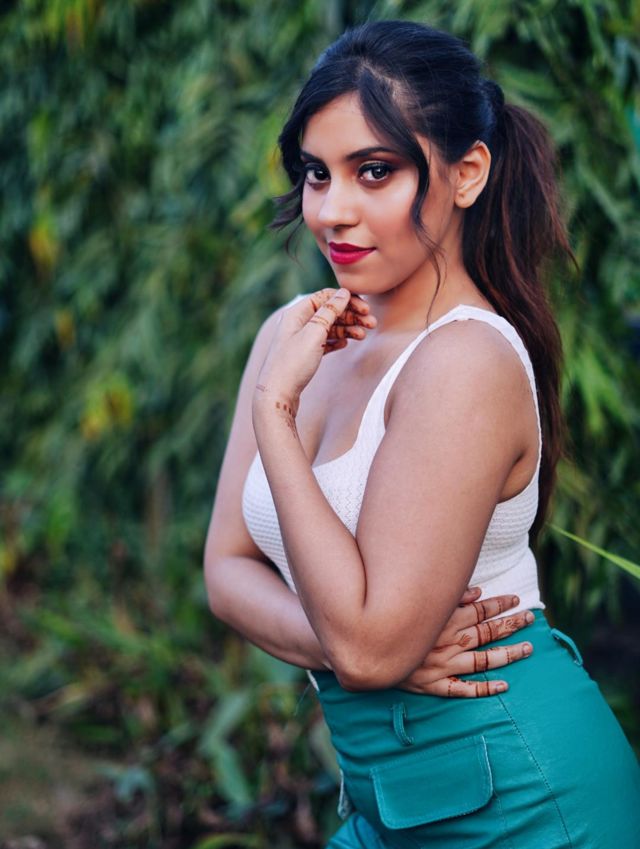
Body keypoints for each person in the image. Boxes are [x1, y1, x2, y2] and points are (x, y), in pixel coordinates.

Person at [204, 20, 640, 849]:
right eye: (317, 173)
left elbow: (370, 651)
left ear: (467, 172)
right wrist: (348, 643)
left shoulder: (465, 359)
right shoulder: (290, 339)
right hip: (384, 805)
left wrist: (275, 417)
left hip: (525, 802)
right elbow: (227, 572)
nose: (333, 211)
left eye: (375, 170)